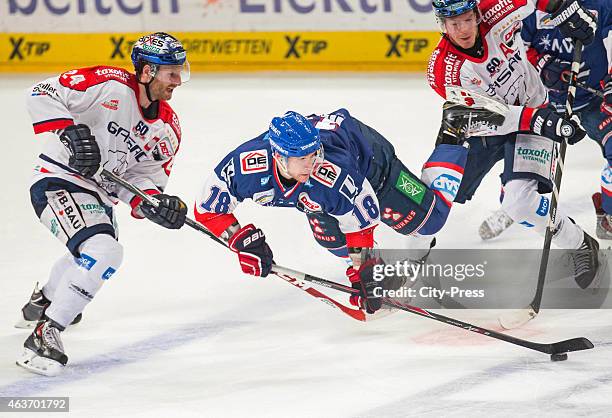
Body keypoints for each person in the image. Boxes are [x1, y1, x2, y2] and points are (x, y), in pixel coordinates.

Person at [16, 32, 189, 376]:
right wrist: (69, 132)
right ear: (146, 72)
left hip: (97, 194)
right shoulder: (108, 85)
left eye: (180, 71)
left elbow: (141, 179)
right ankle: (45, 332)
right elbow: (41, 93)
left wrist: (155, 203)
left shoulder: (168, 129)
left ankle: (44, 301)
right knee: (105, 251)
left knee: (93, 252)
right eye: (171, 72)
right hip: (58, 178)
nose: (178, 81)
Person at [194, 108, 474, 315]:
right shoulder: (246, 167)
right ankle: (379, 277)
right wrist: (238, 239)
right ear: (278, 157)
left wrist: (364, 269)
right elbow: (208, 209)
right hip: (321, 189)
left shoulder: (332, 173)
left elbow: (360, 223)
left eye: (314, 154)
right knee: (329, 237)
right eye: (302, 158)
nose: (312, 163)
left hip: (370, 162)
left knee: (429, 221)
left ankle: (453, 133)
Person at [427, 0, 600, 288]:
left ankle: (579, 243)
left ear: (477, 13)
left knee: (519, 204)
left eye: (468, 19)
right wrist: (542, 120)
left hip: (532, 109)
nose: (463, 29)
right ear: (442, 25)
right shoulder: (445, 70)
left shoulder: (495, 10)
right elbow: (488, 117)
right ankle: (410, 261)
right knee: (437, 191)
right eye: (453, 23)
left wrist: (565, 9)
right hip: (486, 127)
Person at [477, 0, 612, 240]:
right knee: (523, 172)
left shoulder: (600, 3)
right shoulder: (531, 7)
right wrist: (543, 65)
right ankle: (513, 206)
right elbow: (513, 49)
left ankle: (609, 212)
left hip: (594, 96)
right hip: (543, 101)